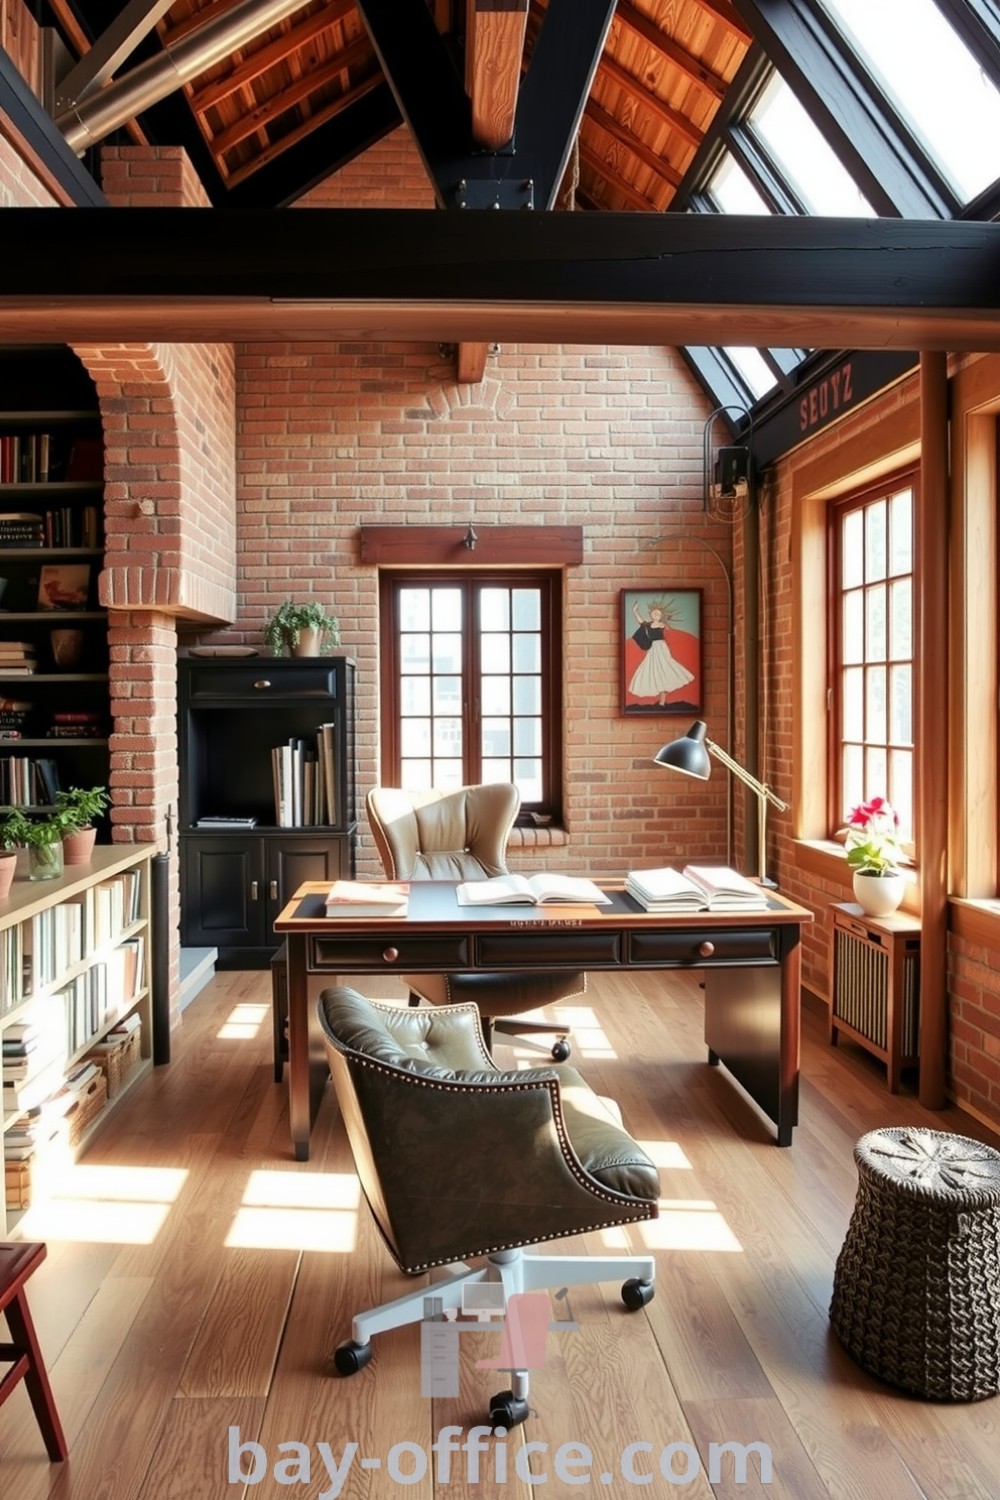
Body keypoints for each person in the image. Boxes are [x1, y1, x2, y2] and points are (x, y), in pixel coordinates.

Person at [628, 598, 694, 706]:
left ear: (661, 616)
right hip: (653, 649)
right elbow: (640, 622)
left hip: (661, 648)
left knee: (664, 668)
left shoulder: (661, 625)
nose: (655, 614)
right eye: (654, 613)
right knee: (653, 670)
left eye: (658, 613)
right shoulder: (648, 625)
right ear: (651, 615)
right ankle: (661, 701)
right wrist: (635, 612)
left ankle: (662, 701)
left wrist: (664, 620)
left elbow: (666, 628)